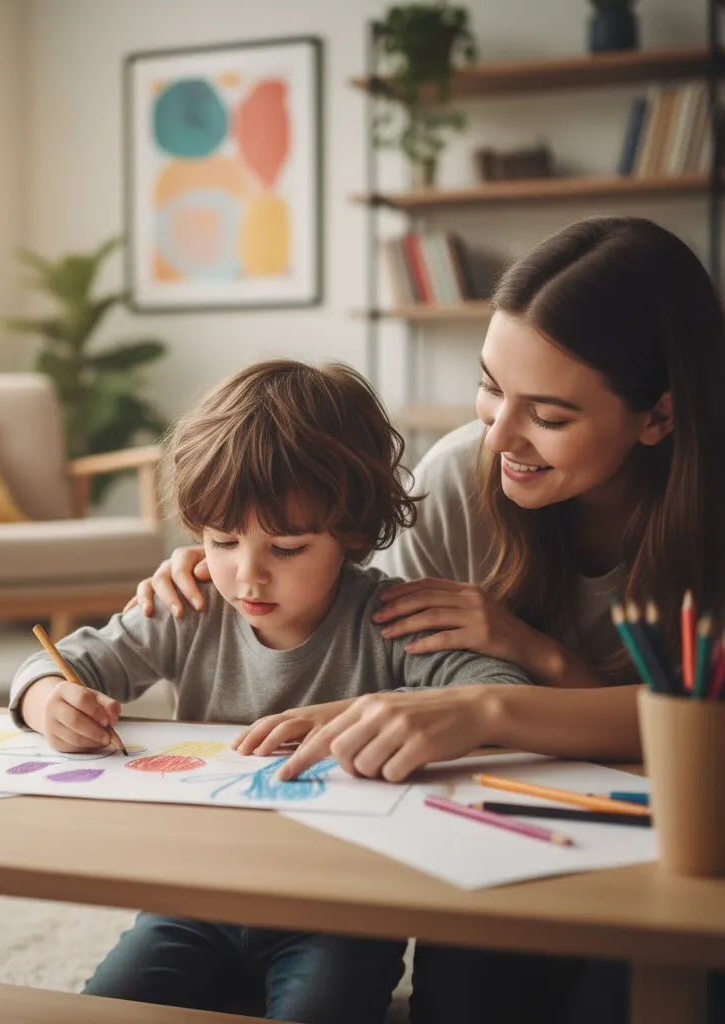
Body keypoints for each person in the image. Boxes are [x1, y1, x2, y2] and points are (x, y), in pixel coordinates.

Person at [129, 217, 725, 1023]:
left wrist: (508, 684)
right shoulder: (458, 481)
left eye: (548, 416)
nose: (497, 433)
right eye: (489, 385)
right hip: (510, 831)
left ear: (658, 416)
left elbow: (703, 736)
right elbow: (371, 657)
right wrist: (223, 563)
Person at [8, 358, 532, 1024]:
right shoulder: (190, 602)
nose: (247, 575)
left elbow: (500, 692)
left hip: (341, 913)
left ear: (349, 533)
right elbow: (65, 661)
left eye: (286, 548)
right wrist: (49, 699)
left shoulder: (393, 620)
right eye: (223, 540)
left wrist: (389, 713)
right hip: (197, 901)